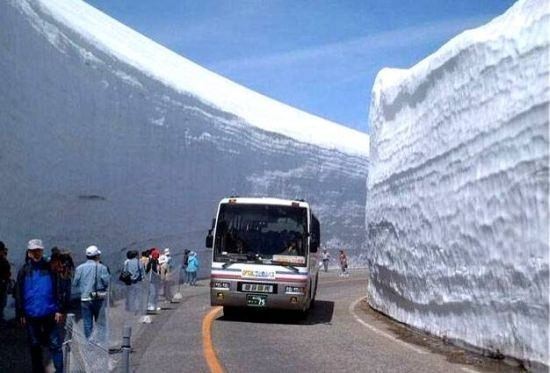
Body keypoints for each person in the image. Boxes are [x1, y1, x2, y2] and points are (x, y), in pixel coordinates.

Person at [14, 239, 70, 373]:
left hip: (50, 313)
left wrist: (60, 309)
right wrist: (20, 313)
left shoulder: (50, 268)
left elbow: (60, 287)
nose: (36, 253)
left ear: (42, 251)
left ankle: (59, 371)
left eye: (38, 250)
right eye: (33, 251)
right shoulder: (24, 270)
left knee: (55, 345)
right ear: (28, 253)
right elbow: (19, 293)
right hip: (31, 315)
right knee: (35, 346)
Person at [73, 245, 110, 340]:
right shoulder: (102, 267)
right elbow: (107, 282)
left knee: (87, 322)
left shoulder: (79, 268)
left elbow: (75, 283)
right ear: (97, 256)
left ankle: (89, 342)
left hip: (85, 298)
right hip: (98, 297)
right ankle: (101, 342)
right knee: (101, 322)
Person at [122, 250, 143, 315]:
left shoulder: (127, 262)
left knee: (131, 295)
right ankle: (137, 308)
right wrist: (143, 278)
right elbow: (142, 270)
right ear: (136, 255)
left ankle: (131, 308)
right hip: (138, 281)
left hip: (130, 282)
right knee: (138, 295)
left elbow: (125, 272)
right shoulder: (138, 262)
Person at [146, 248, 161, 312]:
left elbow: (158, 270)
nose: (158, 256)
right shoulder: (151, 262)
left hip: (156, 279)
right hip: (151, 279)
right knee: (152, 293)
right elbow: (147, 271)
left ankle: (155, 305)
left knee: (156, 293)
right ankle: (150, 305)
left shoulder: (156, 261)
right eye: (157, 255)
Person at [0, 241, 11, 325]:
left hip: (3, 283)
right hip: (2, 284)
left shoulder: (4, 261)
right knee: (2, 302)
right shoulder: (3, 261)